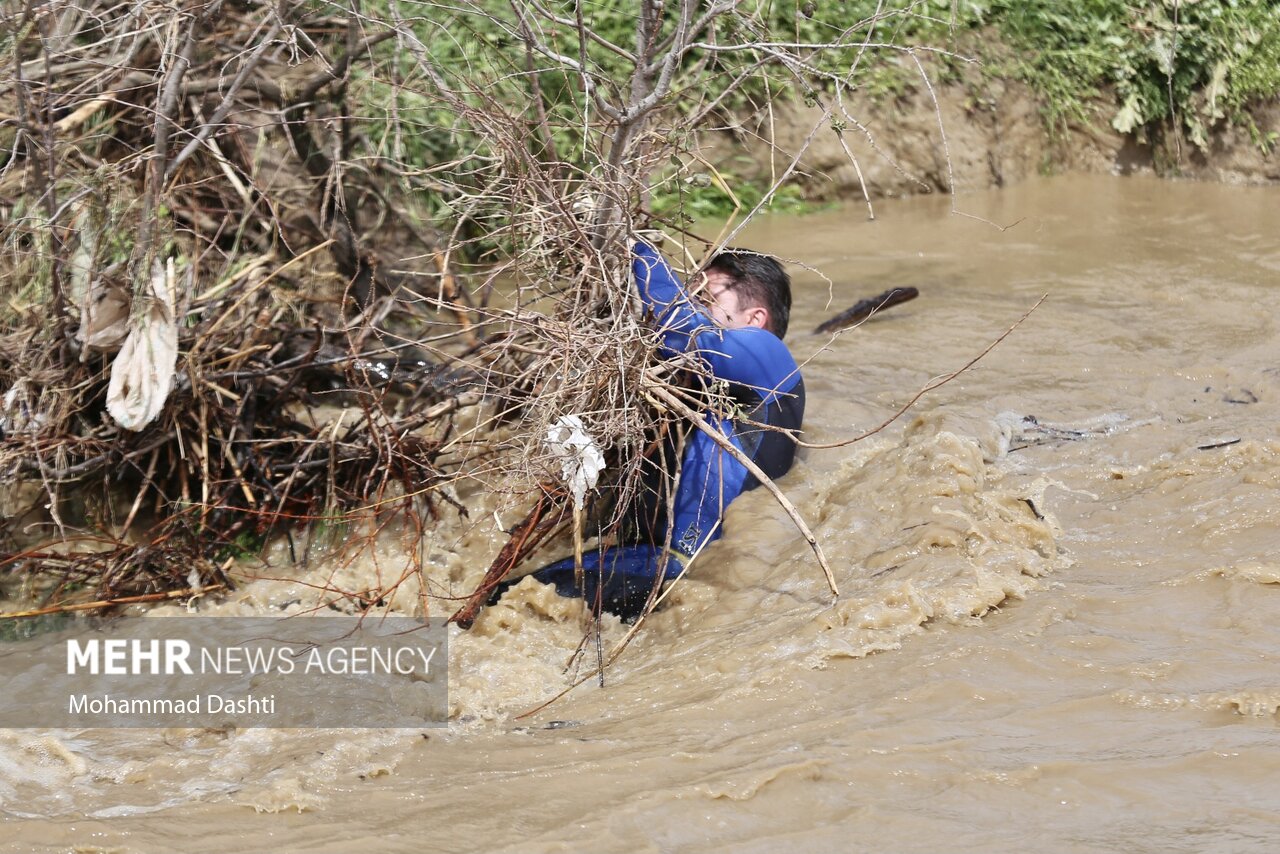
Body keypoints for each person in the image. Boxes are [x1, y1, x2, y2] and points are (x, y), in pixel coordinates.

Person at [506, 241, 805, 620]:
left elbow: (688, 334)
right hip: (655, 565)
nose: (691, 304)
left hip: (675, 568)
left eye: (704, 297)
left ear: (755, 319)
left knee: (508, 605)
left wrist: (638, 249)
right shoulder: (712, 387)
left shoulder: (769, 356)